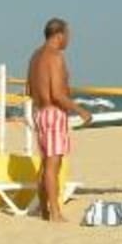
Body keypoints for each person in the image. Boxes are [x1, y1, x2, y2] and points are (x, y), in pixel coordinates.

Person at [26, 18, 92, 222]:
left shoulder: (35, 57)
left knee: (46, 164)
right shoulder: (55, 56)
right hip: (53, 112)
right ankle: (54, 212)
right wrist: (81, 110)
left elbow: (29, 90)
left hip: (39, 112)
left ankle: (46, 211)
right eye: (68, 35)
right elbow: (56, 93)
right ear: (59, 35)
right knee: (53, 165)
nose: (69, 40)